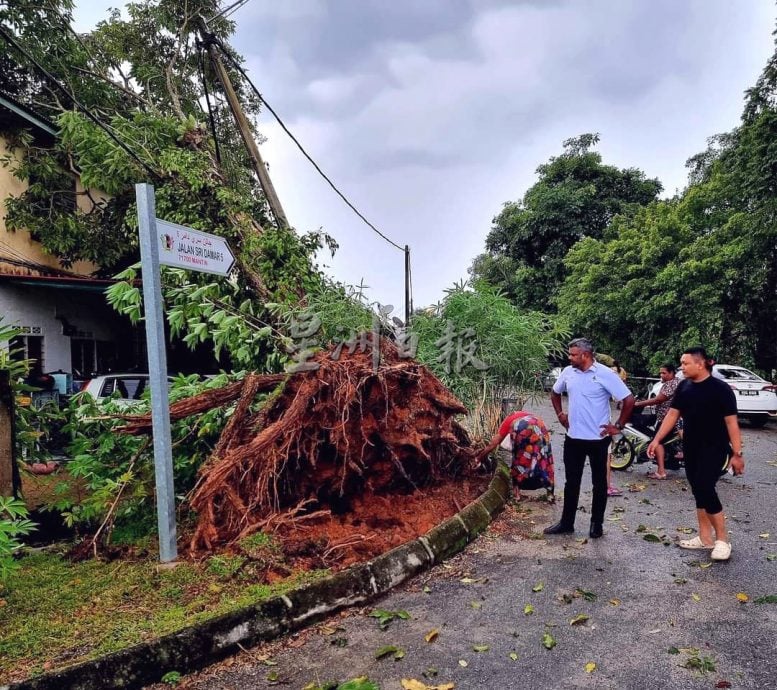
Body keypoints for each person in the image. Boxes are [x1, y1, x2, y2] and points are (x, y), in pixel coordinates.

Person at [647, 346, 744, 561]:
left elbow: (732, 424)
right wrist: (656, 440)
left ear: (700, 364)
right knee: (698, 490)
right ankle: (704, 538)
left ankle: (722, 540)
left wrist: (737, 454)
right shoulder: (684, 387)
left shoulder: (721, 390)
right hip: (691, 447)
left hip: (715, 448)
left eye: (685, 363)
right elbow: (672, 415)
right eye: (681, 363)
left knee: (706, 488)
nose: (681, 367)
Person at [544, 338, 635, 539]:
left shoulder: (605, 374)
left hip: (598, 439)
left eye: (573, 354)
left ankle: (597, 524)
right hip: (573, 438)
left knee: (599, 483)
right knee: (571, 482)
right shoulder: (568, 372)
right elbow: (555, 392)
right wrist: (560, 415)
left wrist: (618, 426)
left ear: (585, 355)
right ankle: (567, 522)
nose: (569, 358)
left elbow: (629, 400)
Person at [475, 410, 555, 501]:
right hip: (539, 424)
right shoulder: (523, 413)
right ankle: (550, 494)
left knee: (519, 459)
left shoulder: (506, 423)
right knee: (545, 457)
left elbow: (493, 444)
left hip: (522, 426)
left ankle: (517, 495)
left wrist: (479, 458)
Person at [633, 363, 681, 479]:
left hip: (667, 420)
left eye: (664, 373)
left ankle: (661, 472)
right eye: (660, 373)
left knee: (657, 442)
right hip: (667, 417)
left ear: (671, 373)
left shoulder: (671, 384)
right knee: (664, 442)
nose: (661, 375)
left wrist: (638, 404)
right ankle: (672, 461)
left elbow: (659, 399)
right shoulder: (676, 382)